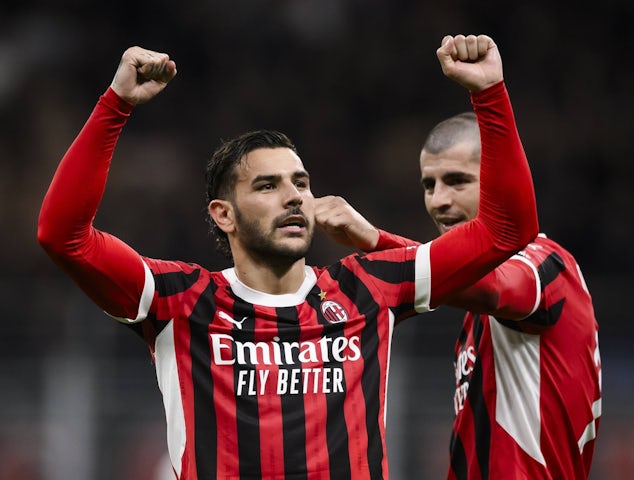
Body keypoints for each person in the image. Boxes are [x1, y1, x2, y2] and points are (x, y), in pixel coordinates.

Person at [37, 35, 538, 479]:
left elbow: (508, 229)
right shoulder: (179, 301)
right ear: (223, 215)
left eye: (301, 183)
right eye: (268, 186)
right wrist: (116, 104)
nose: (295, 196)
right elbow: (64, 236)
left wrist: (489, 94)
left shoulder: (368, 287)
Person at [321, 59, 601, 480]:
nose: (438, 201)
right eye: (429, 185)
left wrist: (376, 241)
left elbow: (495, 286)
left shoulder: (545, 267)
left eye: (457, 181)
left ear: (496, 178)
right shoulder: (477, 315)